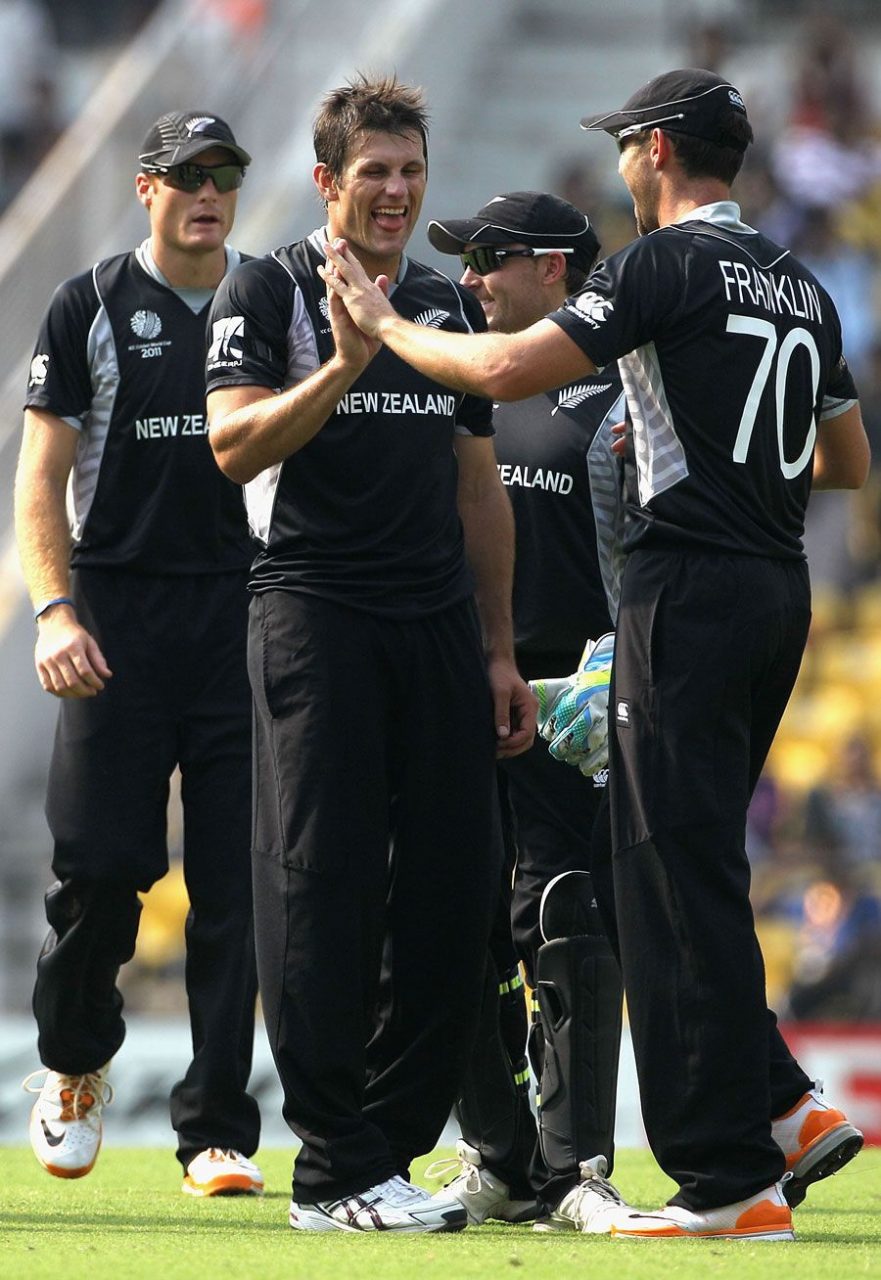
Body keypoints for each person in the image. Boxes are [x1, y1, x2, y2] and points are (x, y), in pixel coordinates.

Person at [322, 68, 870, 1242]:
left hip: (684, 588)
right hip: (778, 588)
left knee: (664, 881)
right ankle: (776, 1111)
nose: (619, 159)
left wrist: (382, 327)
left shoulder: (657, 266)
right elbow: (845, 460)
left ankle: (728, 1175)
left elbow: (505, 368)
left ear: (659, 150)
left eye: (625, 141)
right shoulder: (800, 285)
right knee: (692, 865)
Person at [205, 74, 536, 1235]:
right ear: (325, 184)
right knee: (319, 883)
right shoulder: (268, 286)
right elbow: (231, 447)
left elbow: (474, 483)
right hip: (312, 608)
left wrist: (498, 648)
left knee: (454, 895)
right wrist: (343, 365)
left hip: (437, 623)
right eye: (373, 174)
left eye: (409, 171)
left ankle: (381, 1155)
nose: (395, 193)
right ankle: (331, 1166)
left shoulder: (442, 303)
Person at [14, 110, 263, 1198]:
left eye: (225, 174)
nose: (209, 190)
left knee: (236, 884)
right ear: (145, 187)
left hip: (240, 613)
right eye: (188, 174)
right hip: (113, 618)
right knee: (102, 870)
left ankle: (215, 1125)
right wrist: (53, 610)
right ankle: (71, 1064)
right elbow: (38, 479)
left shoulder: (272, 297)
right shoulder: (90, 306)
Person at [420, 191, 628, 1235]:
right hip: (454, 688)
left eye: (488, 257)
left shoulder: (627, 390)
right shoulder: (459, 390)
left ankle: (578, 1166)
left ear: (554, 268)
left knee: (563, 913)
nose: (468, 278)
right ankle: (496, 1157)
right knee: (446, 921)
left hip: (575, 698)